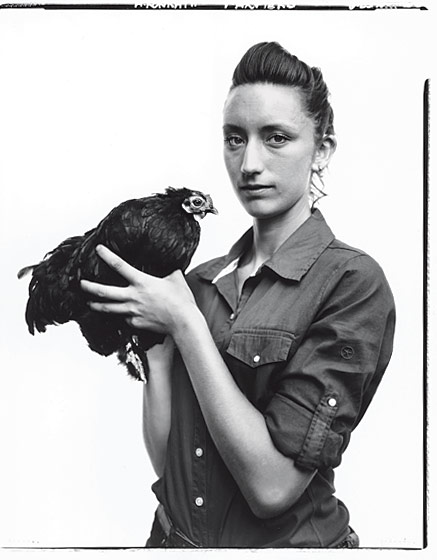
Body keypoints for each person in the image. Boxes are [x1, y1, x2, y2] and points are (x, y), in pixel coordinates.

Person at [80, 42, 395, 548]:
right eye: (234, 138)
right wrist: (158, 359)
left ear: (323, 149)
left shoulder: (352, 283)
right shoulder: (198, 281)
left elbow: (272, 488)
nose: (249, 162)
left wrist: (185, 325)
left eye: (276, 138)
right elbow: (172, 466)